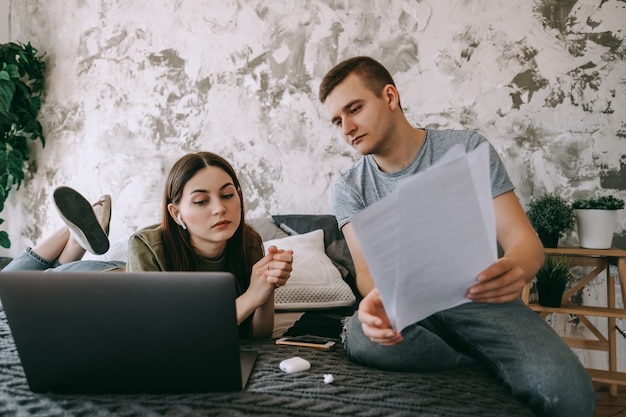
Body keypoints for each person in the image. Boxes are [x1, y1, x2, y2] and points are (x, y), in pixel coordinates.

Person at [318, 56, 596, 417]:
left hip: (478, 301)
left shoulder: (465, 148)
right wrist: (375, 306)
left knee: (571, 397)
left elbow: (525, 243)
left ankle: (483, 363)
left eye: (354, 109)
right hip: (407, 311)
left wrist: (516, 268)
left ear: (389, 97)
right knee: (359, 336)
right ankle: (479, 367)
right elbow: (368, 275)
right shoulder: (348, 187)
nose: (347, 128)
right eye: (338, 121)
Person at [2, 152, 293, 338]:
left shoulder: (249, 241)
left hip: (130, 273)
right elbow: (165, 334)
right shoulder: (148, 244)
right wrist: (248, 298)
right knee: (8, 285)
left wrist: (264, 290)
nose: (219, 209)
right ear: (176, 213)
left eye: (228, 195)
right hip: (86, 283)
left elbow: (259, 337)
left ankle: (77, 237)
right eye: (202, 201)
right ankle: (71, 233)